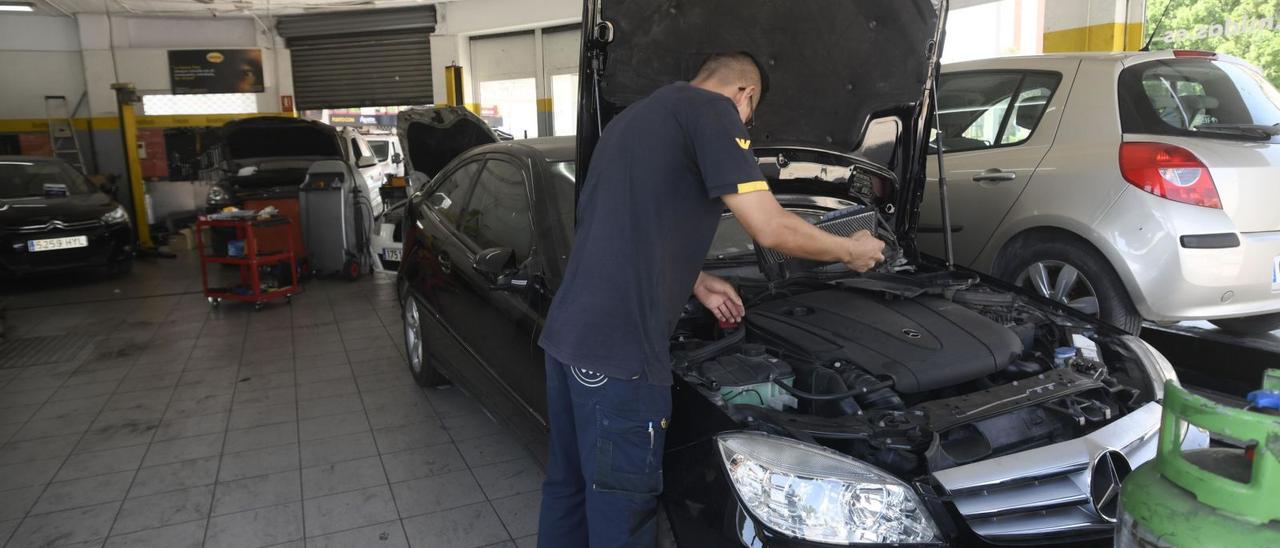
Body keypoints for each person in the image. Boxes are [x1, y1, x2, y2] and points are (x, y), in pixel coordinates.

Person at [536, 52, 886, 548]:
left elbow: (619, 222)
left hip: (568, 340)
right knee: (622, 505)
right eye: (752, 114)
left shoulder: (632, 119)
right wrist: (851, 249)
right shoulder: (712, 112)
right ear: (744, 95)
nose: (746, 126)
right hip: (619, 357)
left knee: (568, 490)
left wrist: (695, 277)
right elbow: (770, 226)